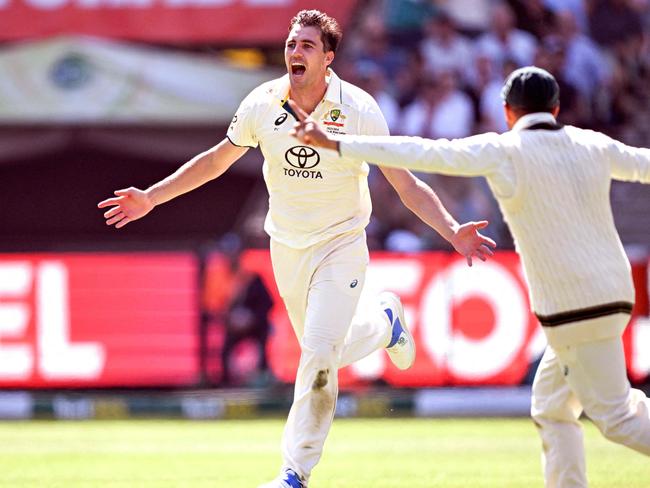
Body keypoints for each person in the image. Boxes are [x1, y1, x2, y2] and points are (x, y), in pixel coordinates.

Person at [97, 10, 495, 488]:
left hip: (342, 243)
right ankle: (385, 322)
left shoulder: (359, 109)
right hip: (286, 249)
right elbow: (216, 161)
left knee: (319, 354)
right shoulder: (262, 103)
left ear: (328, 58)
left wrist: (451, 230)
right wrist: (152, 198)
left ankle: (295, 472)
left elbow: (404, 183)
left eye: (306, 45)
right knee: (322, 351)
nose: (294, 53)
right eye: (290, 44)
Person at [289, 66, 650, 488]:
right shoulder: (592, 144)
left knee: (617, 416)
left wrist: (334, 142)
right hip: (614, 294)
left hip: (574, 307)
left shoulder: (505, 150)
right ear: (555, 108)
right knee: (552, 406)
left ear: (507, 112)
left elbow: (423, 151)